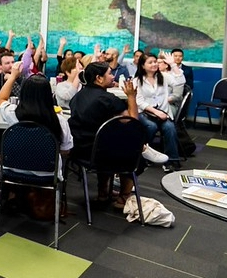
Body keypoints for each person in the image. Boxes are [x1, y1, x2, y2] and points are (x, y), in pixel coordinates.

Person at [68, 63, 167, 209]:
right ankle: (123, 197)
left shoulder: (77, 96)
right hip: (100, 154)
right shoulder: (108, 99)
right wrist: (131, 96)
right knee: (133, 152)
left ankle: (103, 193)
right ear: (99, 78)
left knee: (109, 140)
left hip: (79, 151)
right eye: (109, 73)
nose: (113, 76)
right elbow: (133, 122)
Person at [0, 74, 73, 178]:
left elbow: (1, 99)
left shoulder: (12, 113)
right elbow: (65, 150)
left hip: (13, 170)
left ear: (23, 93)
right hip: (48, 174)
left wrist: (12, 77)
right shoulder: (60, 121)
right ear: (49, 96)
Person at [133, 53, 182, 172]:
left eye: (155, 62)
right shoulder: (137, 80)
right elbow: (139, 102)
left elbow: (180, 81)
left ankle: (172, 161)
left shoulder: (164, 77)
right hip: (146, 113)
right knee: (151, 126)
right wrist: (156, 112)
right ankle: (144, 154)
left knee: (170, 128)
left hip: (163, 112)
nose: (154, 64)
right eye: (150, 62)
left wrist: (173, 64)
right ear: (143, 65)